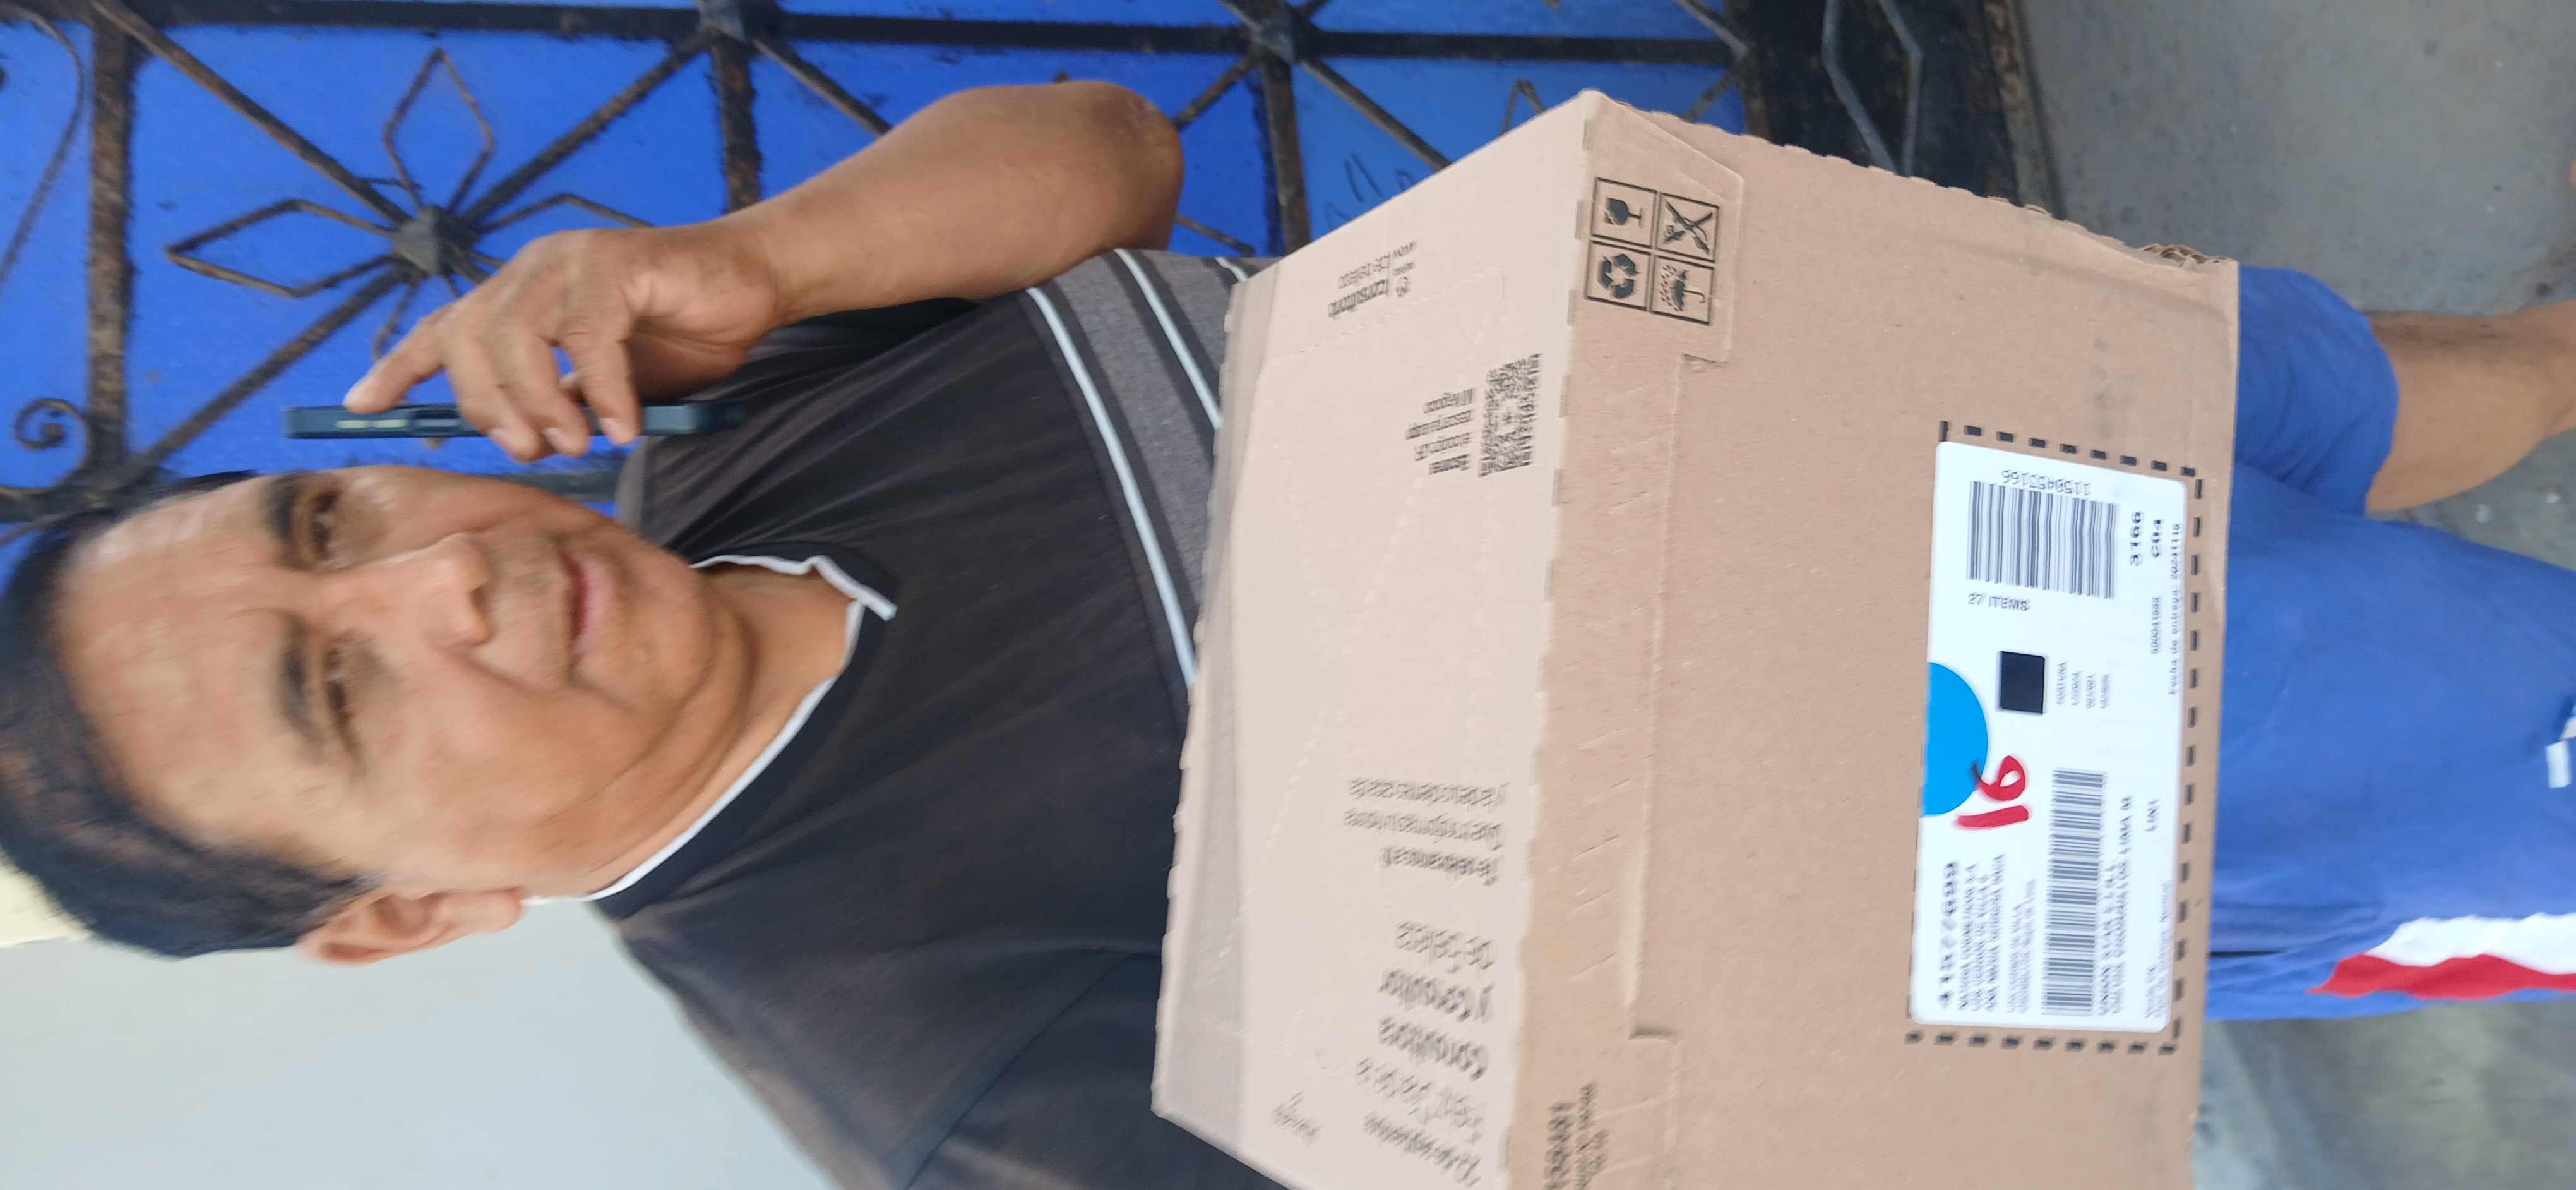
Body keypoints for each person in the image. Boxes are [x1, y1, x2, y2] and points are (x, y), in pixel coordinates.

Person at [0, 77, 2572, 1187]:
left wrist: (759, 254)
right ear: (403, 912)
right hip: (2094, 753)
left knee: (2355, 379)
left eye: (326, 514)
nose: (439, 575)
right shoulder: (933, 1045)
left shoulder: (739, 420)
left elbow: (1110, 162)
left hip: (1897, 372)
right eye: (339, 685)